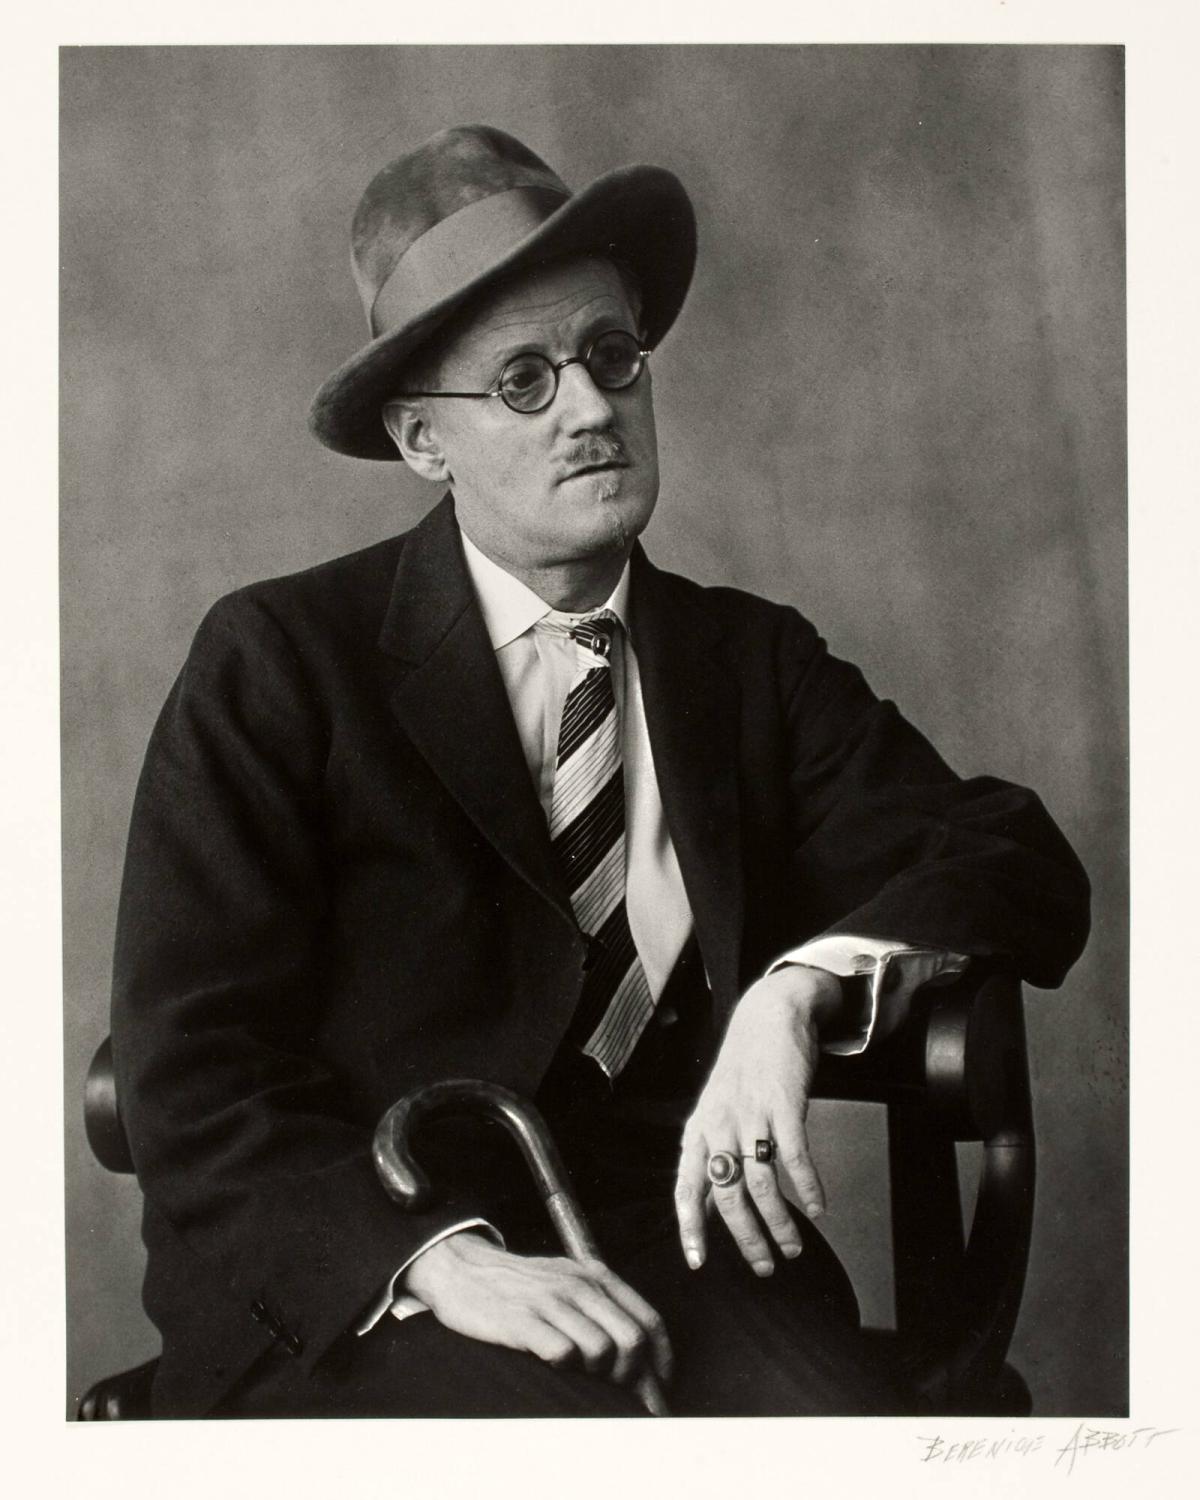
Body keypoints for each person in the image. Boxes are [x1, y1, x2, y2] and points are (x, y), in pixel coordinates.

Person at [110, 124, 1091, 1419]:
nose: (590, 409)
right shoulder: (281, 661)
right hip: (372, 1283)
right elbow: (188, 1067)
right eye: (524, 380)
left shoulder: (747, 664)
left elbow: (1009, 856)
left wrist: (795, 996)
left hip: (681, 1256)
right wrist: (435, 1261)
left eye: (612, 357)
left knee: (847, 1450)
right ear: (423, 440)